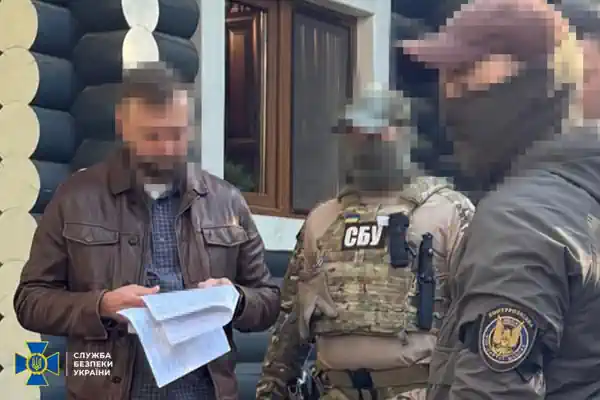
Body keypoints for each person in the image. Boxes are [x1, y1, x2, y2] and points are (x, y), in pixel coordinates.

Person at [13, 62, 280, 400]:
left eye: (177, 134)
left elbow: (269, 300)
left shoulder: (226, 201)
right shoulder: (75, 198)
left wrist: (236, 300)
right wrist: (101, 306)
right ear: (123, 125)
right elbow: (30, 300)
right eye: (153, 136)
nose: (167, 148)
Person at [402, 0, 600, 398]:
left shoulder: (519, 220)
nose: (449, 94)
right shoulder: (581, 196)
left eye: (465, 75)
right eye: (445, 78)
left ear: (535, 83)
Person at [257, 86, 474, 399]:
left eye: (374, 133)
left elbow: (476, 315)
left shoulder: (449, 212)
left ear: (402, 133)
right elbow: (290, 325)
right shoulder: (323, 219)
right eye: (354, 133)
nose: (364, 143)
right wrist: (271, 391)